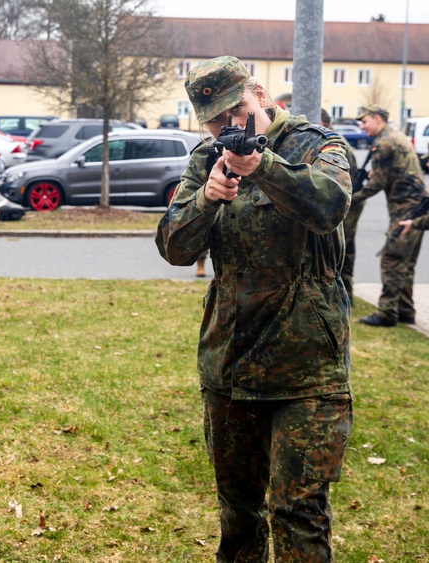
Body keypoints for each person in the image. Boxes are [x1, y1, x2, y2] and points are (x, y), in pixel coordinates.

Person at [156, 56, 353, 561]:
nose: (230, 127)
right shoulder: (206, 158)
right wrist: (207, 198)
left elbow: (329, 206)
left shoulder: (318, 145)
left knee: (299, 511)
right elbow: (175, 248)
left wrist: (263, 167)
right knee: (238, 512)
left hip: (307, 367)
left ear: (260, 94)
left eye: (237, 111)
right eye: (217, 121)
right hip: (231, 361)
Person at [352, 105, 426, 327]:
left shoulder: (385, 143)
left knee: (392, 259)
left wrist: (350, 198)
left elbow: (377, 183)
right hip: (418, 205)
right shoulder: (397, 137)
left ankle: (387, 313)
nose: (362, 127)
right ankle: (405, 310)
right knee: (406, 263)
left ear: (377, 119)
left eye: (365, 122)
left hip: (407, 209)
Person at [322, 109, 363, 303]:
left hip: (347, 201)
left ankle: (345, 292)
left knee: (342, 246)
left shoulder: (332, 143)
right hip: (348, 198)